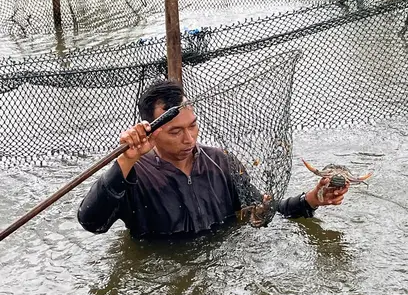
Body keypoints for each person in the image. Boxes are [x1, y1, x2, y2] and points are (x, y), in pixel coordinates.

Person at [77, 79, 349, 239]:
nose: (189, 139)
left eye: (192, 126)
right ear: (151, 130)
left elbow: (266, 211)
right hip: (164, 268)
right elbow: (92, 222)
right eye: (175, 131)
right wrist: (125, 161)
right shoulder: (133, 175)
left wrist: (312, 199)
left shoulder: (221, 162)